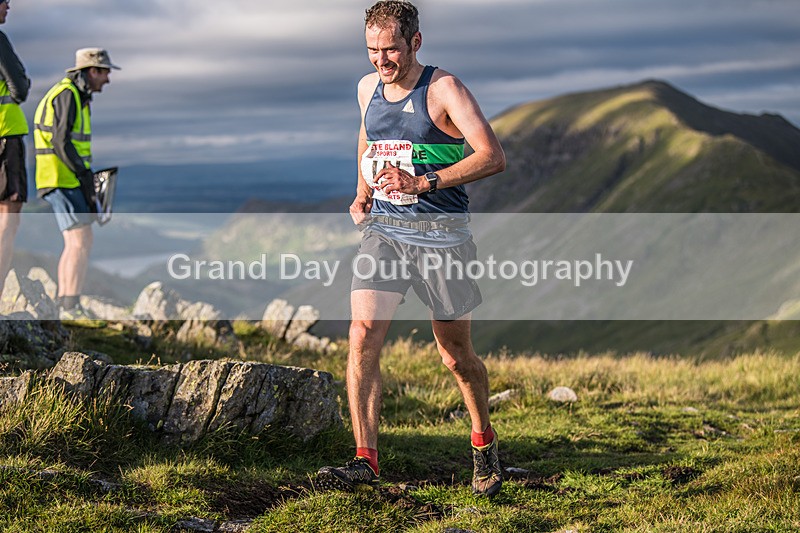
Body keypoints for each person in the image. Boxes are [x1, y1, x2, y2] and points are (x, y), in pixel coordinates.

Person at [316, 0, 506, 496]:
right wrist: (362, 193)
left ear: (415, 42)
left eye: (391, 49)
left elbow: (492, 156)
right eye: (372, 50)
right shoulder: (367, 88)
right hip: (384, 232)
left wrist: (423, 183)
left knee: (455, 355)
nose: (381, 60)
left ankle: (483, 443)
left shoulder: (444, 89)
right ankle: (365, 460)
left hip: (443, 237)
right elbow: (367, 138)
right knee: (362, 335)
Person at [33, 48, 119, 319]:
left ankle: (67, 302)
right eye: (105, 73)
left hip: (63, 177)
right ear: (92, 70)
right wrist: (83, 174)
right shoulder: (68, 95)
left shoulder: (74, 95)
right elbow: (60, 141)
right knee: (79, 240)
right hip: (61, 178)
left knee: (79, 240)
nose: (108, 79)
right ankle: (69, 306)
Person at [0, 0, 30, 297]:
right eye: (4, 1)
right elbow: (19, 88)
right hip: (5, 135)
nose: (8, 6)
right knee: (9, 215)